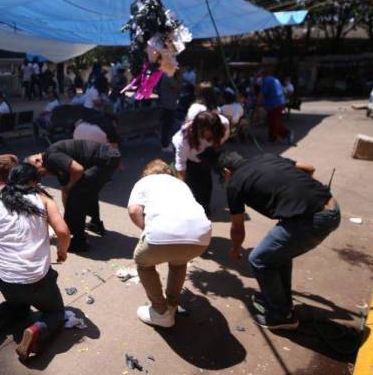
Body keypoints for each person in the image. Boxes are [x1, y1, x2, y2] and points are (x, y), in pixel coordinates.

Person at [217, 151, 341, 329]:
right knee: (277, 255)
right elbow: (309, 168)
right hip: (331, 207)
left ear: (227, 171)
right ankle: (282, 303)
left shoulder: (235, 184)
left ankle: (281, 317)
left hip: (313, 220)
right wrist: (298, 194)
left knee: (259, 259)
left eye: (224, 176)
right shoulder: (266, 156)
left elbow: (237, 227)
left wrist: (235, 249)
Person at [0, 162, 70, 361]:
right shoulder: (43, 200)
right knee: (56, 312)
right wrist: (62, 252)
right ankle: (36, 331)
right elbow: (63, 232)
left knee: (18, 306)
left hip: (4, 277)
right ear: (34, 182)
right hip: (37, 279)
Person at [128, 159, 212, 327]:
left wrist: (146, 228)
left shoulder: (144, 182)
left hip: (161, 234)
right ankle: (172, 305)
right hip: (202, 236)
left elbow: (134, 210)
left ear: (147, 173)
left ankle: (160, 311)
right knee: (179, 264)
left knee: (143, 263)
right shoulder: (180, 184)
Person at [27, 139, 120, 252]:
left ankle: (79, 241)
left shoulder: (52, 157)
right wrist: (68, 216)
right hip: (106, 157)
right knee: (86, 190)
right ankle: (95, 224)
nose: (43, 176)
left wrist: (71, 191)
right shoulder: (54, 165)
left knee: (78, 194)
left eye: (39, 173)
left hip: (105, 158)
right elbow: (65, 190)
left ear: (38, 161)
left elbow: (78, 170)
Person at [172, 111, 228, 216]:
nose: (214, 132)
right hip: (189, 157)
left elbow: (222, 137)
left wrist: (214, 147)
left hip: (206, 151)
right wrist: (181, 187)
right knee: (193, 183)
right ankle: (193, 211)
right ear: (200, 129)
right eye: (211, 130)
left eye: (216, 129)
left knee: (206, 179)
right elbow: (181, 165)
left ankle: (205, 206)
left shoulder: (223, 124)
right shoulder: (183, 140)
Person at [258, 70, 293, 144]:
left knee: (274, 121)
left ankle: (275, 137)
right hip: (279, 102)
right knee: (273, 121)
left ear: (262, 75)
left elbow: (262, 94)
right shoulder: (274, 79)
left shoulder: (266, 81)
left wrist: (258, 103)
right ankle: (282, 134)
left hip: (274, 104)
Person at [158, 71, 180, 152]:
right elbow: (177, 87)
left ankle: (166, 144)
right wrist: (178, 78)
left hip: (167, 104)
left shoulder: (165, 75)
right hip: (169, 105)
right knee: (167, 126)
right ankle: (165, 145)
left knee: (167, 126)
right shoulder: (168, 76)